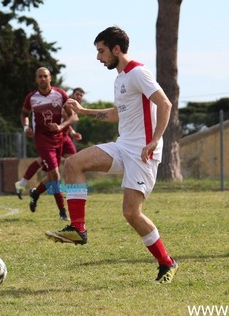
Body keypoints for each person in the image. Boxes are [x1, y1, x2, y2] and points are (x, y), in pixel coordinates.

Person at [45, 26, 178, 283]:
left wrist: (155, 140)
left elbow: (165, 103)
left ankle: (167, 262)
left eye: (101, 51)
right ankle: (78, 228)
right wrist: (83, 112)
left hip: (142, 153)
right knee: (73, 163)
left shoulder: (138, 72)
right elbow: (118, 113)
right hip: (123, 146)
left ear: (117, 49)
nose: (99, 57)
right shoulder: (120, 78)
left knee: (131, 214)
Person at [20, 67, 77, 221]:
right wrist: (26, 127)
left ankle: (36, 192)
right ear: (36, 79)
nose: (43, 79)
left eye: (45, 76)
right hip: (42, 139)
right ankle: (62, 212)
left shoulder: (60, 94)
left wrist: (61, 126)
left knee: (65, 168)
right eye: (40, 77)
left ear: (50, 78)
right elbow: (24, 114)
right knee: (55, 174)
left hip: (59, 138)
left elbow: (72, 117)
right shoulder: (31, 98)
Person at [15, 87, 85, 199]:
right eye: (77, 94)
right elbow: (63, 118)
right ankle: (23, 184)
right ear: (72, 95)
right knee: (48, 167)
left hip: (64, 138)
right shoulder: (65, 103)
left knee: (71, 163)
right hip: (53, 138)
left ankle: (35, 192)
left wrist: (72, 133)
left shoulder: (74, 106)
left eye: (81, 95)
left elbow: (67, 122)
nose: (79, 97)